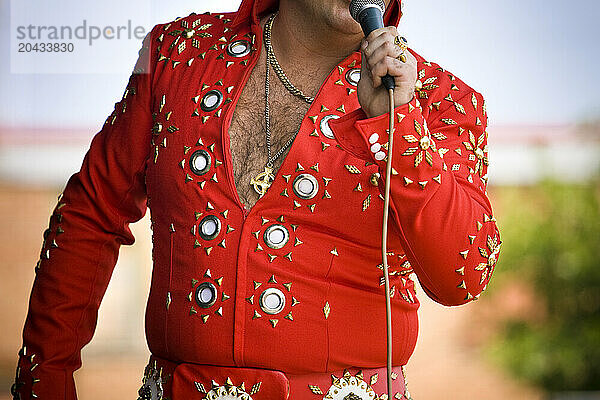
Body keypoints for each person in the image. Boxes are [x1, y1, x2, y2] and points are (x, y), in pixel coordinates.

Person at [12, 0, 501, 399]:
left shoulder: (442, 101)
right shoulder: (174, 55)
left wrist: (401, 126)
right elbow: (90, 212)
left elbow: (463, 276)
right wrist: (43, 380)